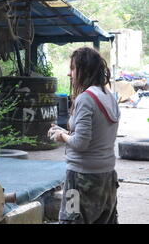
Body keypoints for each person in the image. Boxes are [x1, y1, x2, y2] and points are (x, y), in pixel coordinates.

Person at [48, 47, 120, 224]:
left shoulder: (85, 98)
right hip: (107, 178)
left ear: (84, 70)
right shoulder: (109, 96)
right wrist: (65, 132)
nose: (69, 73)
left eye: (73, 68)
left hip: (80, 179)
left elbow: (81, 143)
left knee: (70, 221)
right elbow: (97, 134)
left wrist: (61, 137)